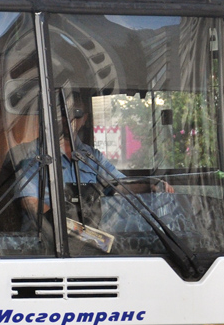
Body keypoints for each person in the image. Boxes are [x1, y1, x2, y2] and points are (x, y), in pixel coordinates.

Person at [16, 92, 172, 230]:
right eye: (64, 113)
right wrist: (69, 228)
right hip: (48, 241)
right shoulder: (33, 154)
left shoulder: (93, 156)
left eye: (76, 113)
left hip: (90, 238)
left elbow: (120, 186)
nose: (69, 119)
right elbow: (30, 203)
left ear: (84, 119)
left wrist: (150, 186)